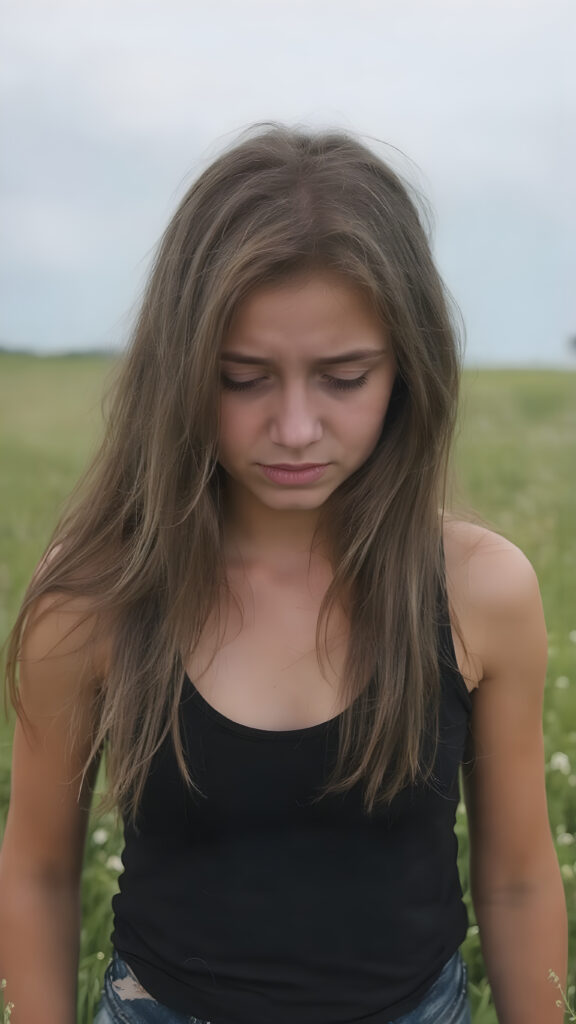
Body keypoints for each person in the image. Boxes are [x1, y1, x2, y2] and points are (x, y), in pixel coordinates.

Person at [0, 124, 567, 1024]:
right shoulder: (93, 596)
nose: (296, 427)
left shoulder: (481, 589)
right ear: (178, 372)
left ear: (409, 371)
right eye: (243, 378)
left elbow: (519, 880)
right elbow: (35, 871)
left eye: (344, 377)